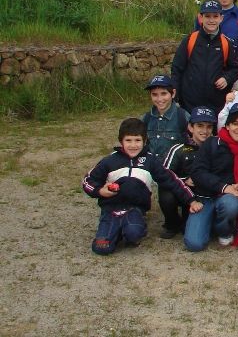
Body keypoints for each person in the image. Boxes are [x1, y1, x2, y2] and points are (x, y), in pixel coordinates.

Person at [82, 118, 200, 255]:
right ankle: (113, 230)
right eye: (128, 140)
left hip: (135, 209)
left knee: (133, 234)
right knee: (101, 248)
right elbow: (88, 181)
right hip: (111, 209)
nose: (133, 145)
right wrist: (100, 191)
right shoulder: (110, 161)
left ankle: (128, 229)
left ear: (144, 141)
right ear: (121, 141)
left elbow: (172, 180)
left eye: (137, 140)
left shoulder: (150, 161)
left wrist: (191, 200)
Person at [184, 102, 238, 251]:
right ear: (227, 125)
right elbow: (198, 172)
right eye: (235, 124)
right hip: (206, 197)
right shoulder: (212, 143)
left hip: (233, 199)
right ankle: (213, 221)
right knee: (194, 244)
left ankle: (225, 230)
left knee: (230, 205)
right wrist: (223, 187)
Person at [172, 0, 238, 114]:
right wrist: (175, 94)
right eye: (207, 16)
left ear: (221, 18)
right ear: (200, 18)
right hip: (189, 103)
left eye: (215, 16)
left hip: (216, 104)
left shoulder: (225, 43)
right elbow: (177, 68)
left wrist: (226, 78)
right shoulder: (190, 40)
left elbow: (235, 69)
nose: (211, 20)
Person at [159, 106, 216, 239]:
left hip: (203, 195)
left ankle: (191, 222)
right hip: (181, 192)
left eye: (209, 126)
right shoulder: (178, 149)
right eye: (200, 126)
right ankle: (171, 223)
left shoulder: (216, 148)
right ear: (190, 128)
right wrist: (184, 179)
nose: (204, 131)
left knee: (189, 230)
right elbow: (164, 174)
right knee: (166, 195)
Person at [140, 74, 189, 160]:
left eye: (164, 93)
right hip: (151, 168)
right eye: (154, 94)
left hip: (174, 170)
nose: (159, 99)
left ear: (173, 93)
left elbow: (192, 145)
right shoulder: (145, 118)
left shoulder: (183, 117)